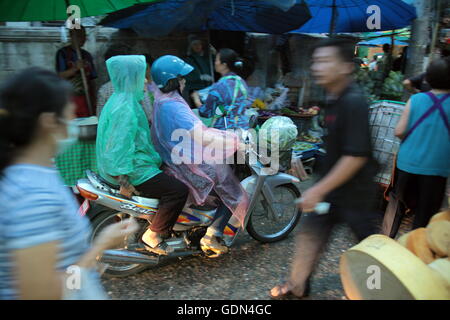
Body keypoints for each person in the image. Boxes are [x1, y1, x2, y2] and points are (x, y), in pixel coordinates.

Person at [0, 68, 139, 300]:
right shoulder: (32, 195)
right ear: (48, 123)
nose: (73, 123)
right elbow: (42, 294)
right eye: (70, 115)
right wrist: (99, 248)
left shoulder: (39, 173)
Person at [270, 38, 380, 299]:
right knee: (310, 234)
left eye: (325, 61)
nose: (317, 67)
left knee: (371, 247)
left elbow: (355, 156)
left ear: (345, 67)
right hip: (333, 190)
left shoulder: (353, 101)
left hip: (356, 193)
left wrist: (318, 190)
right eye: (316, 61)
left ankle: (381, 289)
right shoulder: (333, 98)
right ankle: (297, 286)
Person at [149, 55, 249, 256]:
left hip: (176, 159)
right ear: (173, 80)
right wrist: (235, 141)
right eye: (182, 78)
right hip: (185, 165)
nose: (185, 81)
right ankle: (212, 234)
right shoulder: (174, 105)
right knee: (233, 191)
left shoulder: (163, 100)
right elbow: (202, 136)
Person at [96, 55, 189, 255]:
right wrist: (124, 179)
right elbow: (120, 146)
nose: (145, 81)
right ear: (131, 77)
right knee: (178, 190)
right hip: (135, 169)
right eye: (141, 75)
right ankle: (154, 234)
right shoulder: (126, 107)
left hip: (135, 163)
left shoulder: (119, 99)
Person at [393, 57, 450, 230]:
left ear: (428, 78)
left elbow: (399, 131)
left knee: (396, 209)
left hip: (407, 164)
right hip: (436, 170)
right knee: (424, 216)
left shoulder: (416, 100)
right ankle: (415, 248)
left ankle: (384, 242)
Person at [191, 48, 251, 130]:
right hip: (243, 129)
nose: (215, 63)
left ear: (224, 65)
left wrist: (196, 98)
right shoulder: (241, 82)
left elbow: (205, 112)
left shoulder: (219, 86)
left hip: (226, 132)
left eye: (216, 60)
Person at [97, 48, 154, 124]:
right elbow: (149, 115)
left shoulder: (104, 90)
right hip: (137, 133)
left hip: (112, 134)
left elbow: (100, 118)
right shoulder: (138, 86)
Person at [56, 26, 97, 118]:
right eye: (79, 36)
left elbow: (92, 79)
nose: (83, 39)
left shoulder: (87, 56)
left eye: (84, 36)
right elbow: (60, 76)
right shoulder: (62, 53)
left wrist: (94, 98)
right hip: (70, 97)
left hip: (87, 97)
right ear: (71, 36)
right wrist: (75, 68)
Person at [183, 36, 215, 107]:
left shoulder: (207, 58)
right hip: (194, 90)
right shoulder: (188, 59)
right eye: (194, 44)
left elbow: (214, 66)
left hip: (207, 89)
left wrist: (213, 54)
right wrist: (200, 77)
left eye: (199, 44)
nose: (197, 46)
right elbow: (186, 75)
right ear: (191, 46)